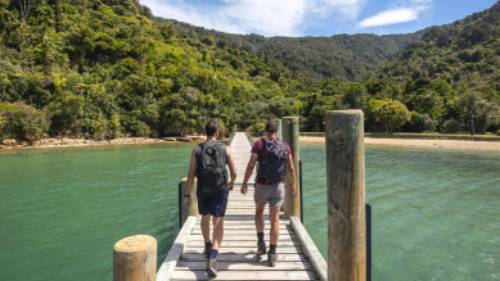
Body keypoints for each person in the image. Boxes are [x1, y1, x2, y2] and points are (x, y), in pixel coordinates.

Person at [184, 121, 237, 278]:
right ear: (217, 133)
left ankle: (207, 244)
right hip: (220, 189)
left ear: (205, 132)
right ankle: (213, 257)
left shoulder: (197, 149)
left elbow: (191, 174)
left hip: (203, 189)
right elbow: (234, 172)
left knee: (205, 218)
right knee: (218, 221)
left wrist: (187, 195)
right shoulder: (226, 148)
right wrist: (232, 183)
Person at [240, 120, 297, 267]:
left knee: (259, 212)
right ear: (277, 131)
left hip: (261, 185)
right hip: (278, 185)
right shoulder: (285, 145)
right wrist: (293, 184)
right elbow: (290, 167)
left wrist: (245, 182)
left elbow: (252, 164)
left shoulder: (259, 144)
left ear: (265, 130)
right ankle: (272, 253)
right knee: (275, 219)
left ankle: (260, 241)